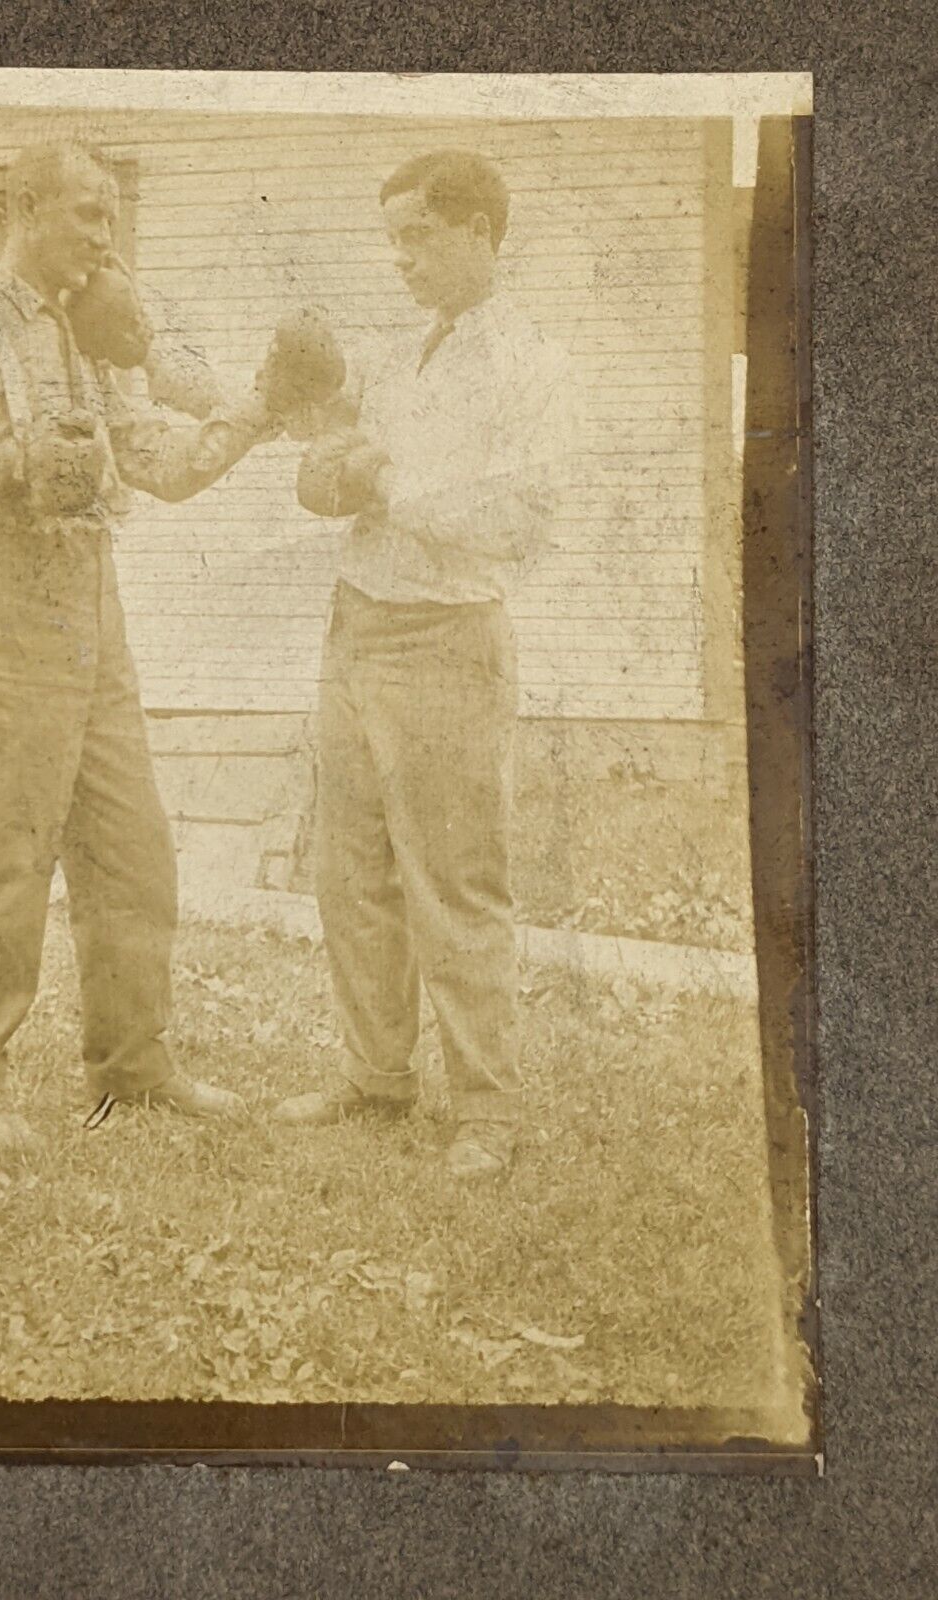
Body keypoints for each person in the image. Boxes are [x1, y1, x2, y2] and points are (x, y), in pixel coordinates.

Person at [0, 141, 332, 1150]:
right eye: (88, 215)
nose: (106, 236)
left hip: (89, 608)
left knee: (134, 850)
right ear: (24, 208)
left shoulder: (100, 335)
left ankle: (132, 1068)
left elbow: (160, 461)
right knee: (9, 849)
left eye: (111, 216)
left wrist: (261, 404)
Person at [273, 149, 578, 1180]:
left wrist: (384, 484)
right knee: (348, 869)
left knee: (453, 881)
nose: (399, 259)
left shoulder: (529, 362)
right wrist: (325, 464)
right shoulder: (403, 352)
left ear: (483, 232)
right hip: (355, 623)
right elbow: (341, 449)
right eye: (393, 238)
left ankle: (485, 1108)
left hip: (448, 638)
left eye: (420, 237)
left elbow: (521, 516)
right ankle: (376, 1075)